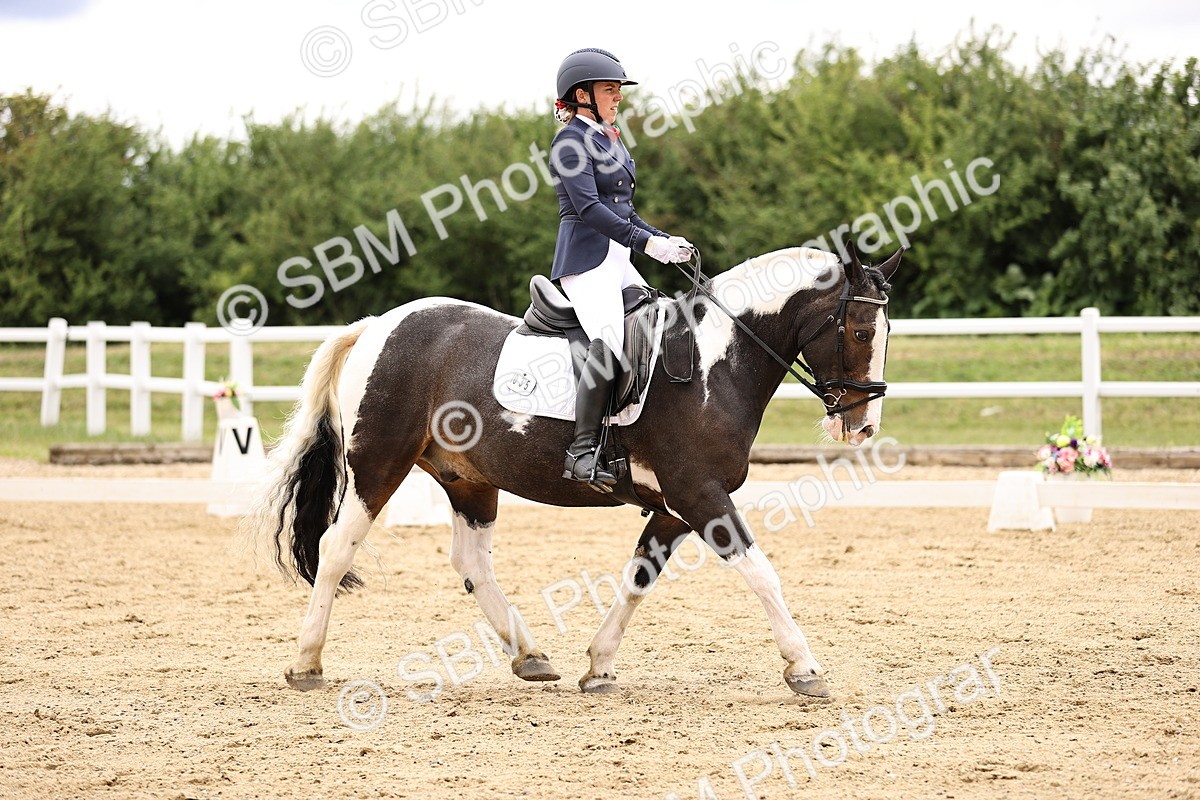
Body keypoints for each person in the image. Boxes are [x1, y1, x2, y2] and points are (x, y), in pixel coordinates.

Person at [548, 47, 694, 491]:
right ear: (582, 94)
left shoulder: (609, 136)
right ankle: (583, 451)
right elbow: (590, 209)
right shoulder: (569, 142)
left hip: (617, 258)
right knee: (609, 340)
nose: (619, 98)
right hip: (586, 260)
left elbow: (623, 210)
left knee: (658, 327)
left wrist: (662, 238)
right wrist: (648, 243)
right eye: (610, 89)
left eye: (618, 90)